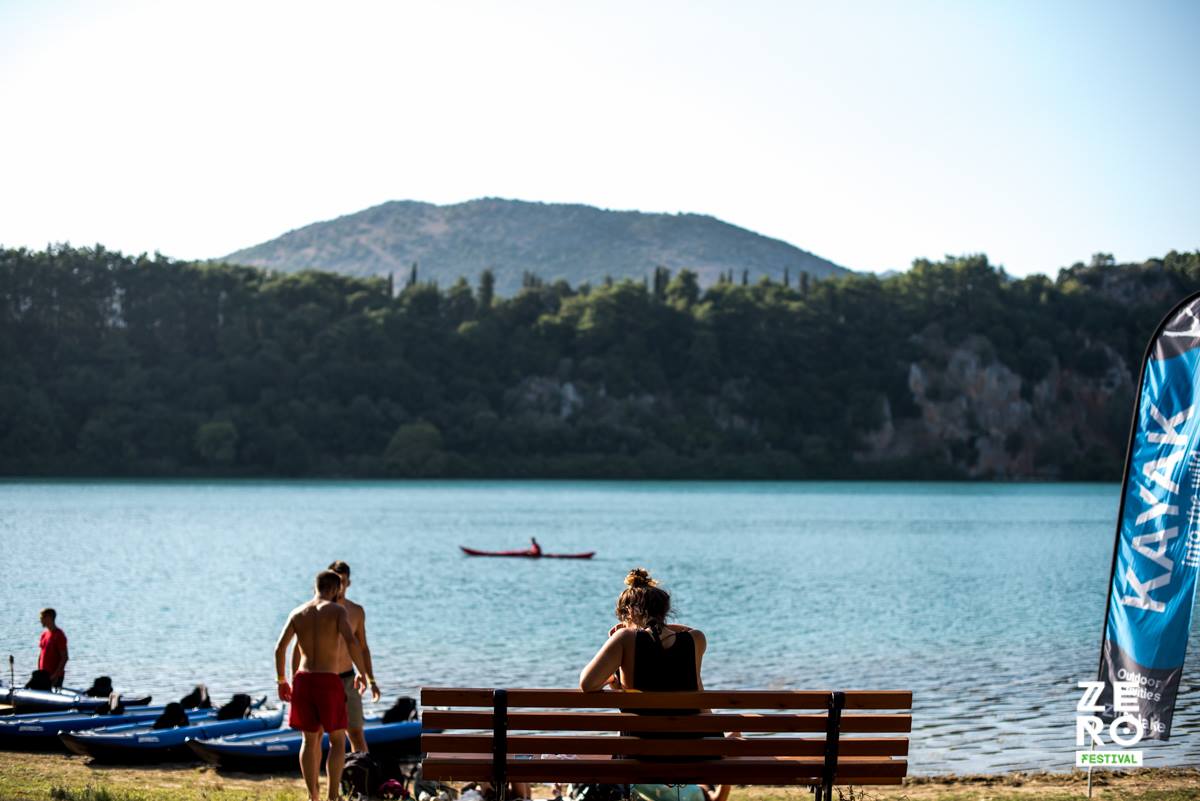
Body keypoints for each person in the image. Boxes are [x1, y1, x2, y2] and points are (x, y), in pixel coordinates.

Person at [579, 569, 726, 801]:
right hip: (688, 751)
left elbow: (587, 683)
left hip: (639, 753)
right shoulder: (696, 640)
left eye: (624, 618)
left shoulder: (625, 639)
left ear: (630, 611)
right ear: (665, 611)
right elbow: (688, 631)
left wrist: (623, 639)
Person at [275, 570, 374, 801]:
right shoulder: (338, 611)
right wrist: (362, 672)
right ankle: (332, 796)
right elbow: (351, 642)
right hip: (329, 680)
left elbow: (280, 648)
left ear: (316, 586)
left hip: (304, 679)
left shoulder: (298, 612)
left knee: (309, 741)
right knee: (338, 739)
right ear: (335, 589)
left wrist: (281, 680)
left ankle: (313, 796)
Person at [294, 561, 380, 753]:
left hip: (348, 679)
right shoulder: (314, 612)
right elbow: (298, 649)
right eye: (333, 581)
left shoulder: (356, 611)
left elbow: (362, 648)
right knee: (315, 735)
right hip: (320, 678)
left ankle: (361, 777)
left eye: (341, 581)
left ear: (348, 583)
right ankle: (315, 782)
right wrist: (293, 681)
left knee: (356, 733)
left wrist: (371, 679)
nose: (337, 587)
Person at [38, 608, 68, 689]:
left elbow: (64, 657)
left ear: (49, 618)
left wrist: (55, 675)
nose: (40, 620)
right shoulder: (44, 635)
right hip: (43, 676)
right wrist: (39, 672)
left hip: (54, 677)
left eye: (42, 618)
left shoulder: (59, 635)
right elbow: (41, 655)